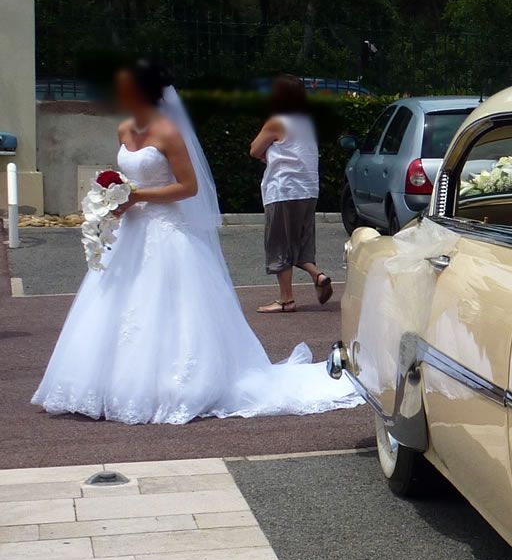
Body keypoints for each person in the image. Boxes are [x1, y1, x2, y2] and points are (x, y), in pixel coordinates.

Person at [30, 60, 361, 425]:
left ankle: (173, 384)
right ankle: (101, 383)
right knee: (111, 301)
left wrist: (137, 196)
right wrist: (114, 198)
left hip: (165, 228)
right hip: (130, 231)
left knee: (171, 306)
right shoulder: (124, 128)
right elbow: (127, 177)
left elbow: (188, 187)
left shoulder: (168, 132)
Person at [251, 76, 331, 313]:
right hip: (308, 188)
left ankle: (286, 299)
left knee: (279, 243)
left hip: (283, 188)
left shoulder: (277, 121)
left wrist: (268, 154)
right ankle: (318, 275)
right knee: (300, 241)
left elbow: (254, 149)